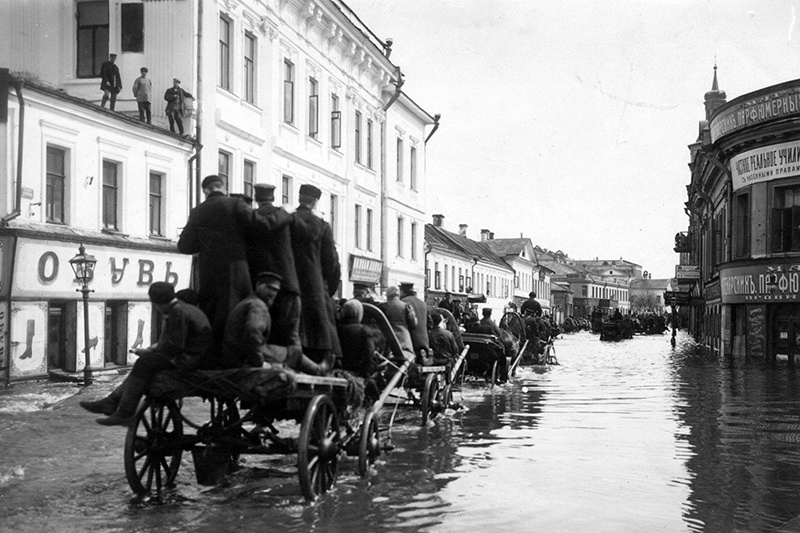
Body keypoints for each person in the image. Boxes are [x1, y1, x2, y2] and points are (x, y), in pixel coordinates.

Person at [80, 282, 212, 426]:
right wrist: (153, 351)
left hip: (189, 360)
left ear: (155, 302)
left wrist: (151, 353)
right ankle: (112, 402)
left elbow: (174, 346)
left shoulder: (177, 312)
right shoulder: (186, 308)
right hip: (197, 357)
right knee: (146, 361)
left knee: (144, 363)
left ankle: (124, 412)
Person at [178, 175, 252, 358]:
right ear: (223, 187)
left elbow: (185, 246)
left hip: (210, 271)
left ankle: (215, 356)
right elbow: (255, 229)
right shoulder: (236, 204)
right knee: (239, 310)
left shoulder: (198, 211)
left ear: (205, 191)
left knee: (213, 311)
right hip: (238, 269)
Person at [222, 271, 330, 374]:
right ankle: (318, 370)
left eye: (275, 290)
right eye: (269, 288)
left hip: (236, 353)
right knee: (294, 352)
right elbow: (253, 333)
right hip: (242, 356)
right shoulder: (258, 306)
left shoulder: (251, 302)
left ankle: (317, 369)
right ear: (258, 285)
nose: (272, 293)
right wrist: (258, 363)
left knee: (291, 351)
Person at [291, 184, 341, 365]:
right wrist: (325, 286)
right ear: (315, 202)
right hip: (313, 287)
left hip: (288, 283)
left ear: (299, 198)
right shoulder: (321, 225)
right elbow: (331, 263)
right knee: (322, 330)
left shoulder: (287, 220)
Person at [248, 183, 300, 348]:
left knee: (267, 332)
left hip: (261, 283)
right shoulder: (287, 215)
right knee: (288, 333)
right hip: (286, 281)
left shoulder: (252, 216)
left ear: (256, 198)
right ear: (273, 198)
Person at [337, 299, 377, 379]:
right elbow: (369, 354)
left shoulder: (337, 328)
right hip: (356, 373)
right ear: (359, 313)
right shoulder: (363, 330)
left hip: (339, 371)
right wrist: (365, 375)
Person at [380, 285, 416, 360]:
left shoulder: (383, 306)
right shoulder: (406, 306)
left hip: (387, 340)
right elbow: (413, 324)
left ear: (388, 296)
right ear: (398, 295)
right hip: (404, 339)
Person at [400, 282, 431, 364]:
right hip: (423, 343)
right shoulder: (423, 304)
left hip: (409, 343)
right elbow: (430, 323)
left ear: (403, 292)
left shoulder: (403, 303)